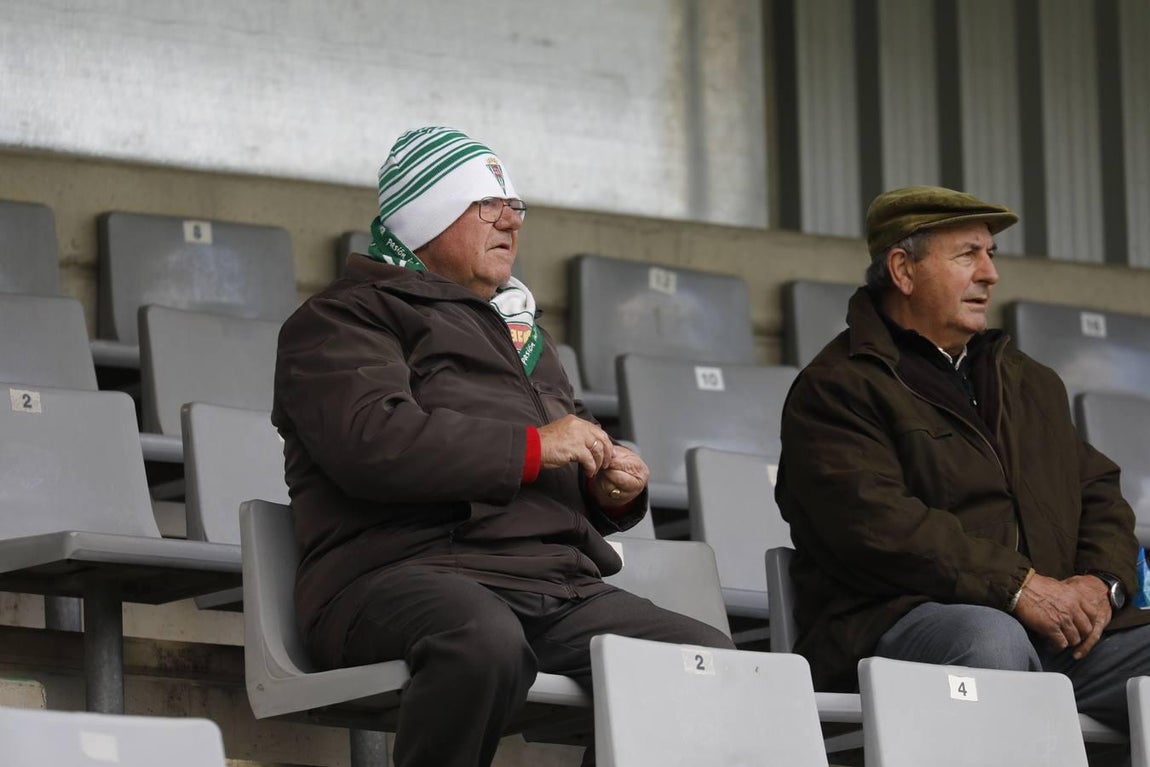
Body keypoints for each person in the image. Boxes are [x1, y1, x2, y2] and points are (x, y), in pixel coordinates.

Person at [271, 126, 732, 767]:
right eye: (487, 206)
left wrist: (608, 487)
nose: (511, 223)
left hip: (550, 584)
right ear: (425, 215)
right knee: (482, 641)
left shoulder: (522, 333)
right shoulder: (344, 317)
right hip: (398, 573)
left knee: (704, 662)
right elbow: (373, 443)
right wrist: (536, 448)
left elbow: (559, 455)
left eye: (515, 207)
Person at [775, 185, 1150, 730]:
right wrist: (1018, 587)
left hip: (1055, 636)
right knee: (989, 639)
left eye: (990, 254)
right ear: (903, 271)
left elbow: (1099, 494)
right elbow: (878, 527)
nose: (990, 274)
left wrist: (1099, 584)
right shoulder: (837, 387)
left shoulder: (1029, 382)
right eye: (967, 255)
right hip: (900, 624)